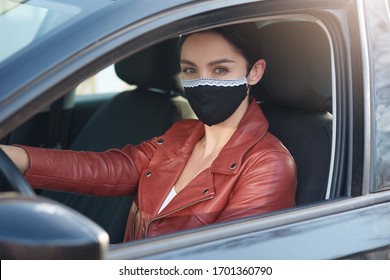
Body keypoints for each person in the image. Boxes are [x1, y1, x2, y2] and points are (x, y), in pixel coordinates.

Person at [0, 23, 297, 242]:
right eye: (190, 70)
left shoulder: (268, 165)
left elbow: (228, 261)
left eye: (220, 70)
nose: (202, 82)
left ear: (254, 72)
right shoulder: (181, 135)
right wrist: (17, 158)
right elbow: (108, 168)